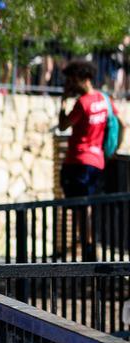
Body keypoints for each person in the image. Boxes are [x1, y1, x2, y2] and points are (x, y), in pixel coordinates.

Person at [58, 60, 123, 259]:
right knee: (86, 205)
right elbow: (124, 124)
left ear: (82, 79)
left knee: (79, 206)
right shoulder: (105, 99)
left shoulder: (82, 103)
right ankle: (88, 245)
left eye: (71, 80)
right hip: (98, 162)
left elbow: (62, 125)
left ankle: (87, 247)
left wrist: (63, 101)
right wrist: (113, 149)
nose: (70, 84)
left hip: (77, 161)